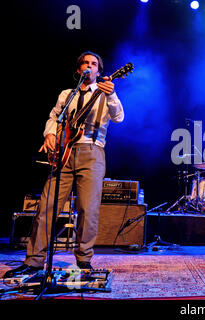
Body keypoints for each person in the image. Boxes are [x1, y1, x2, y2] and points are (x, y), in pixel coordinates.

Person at [4, 51, 124, 278]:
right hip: (64, 154)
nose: (89, 66)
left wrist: (112, 95)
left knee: (88, 210)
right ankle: (34, 261)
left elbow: (119, 117)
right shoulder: (66, 94)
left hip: (92, 151)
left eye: (94, 63)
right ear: (79, 70)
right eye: (85, 63)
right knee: (46, 207)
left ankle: (84, 260)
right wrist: (50, 134)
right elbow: (54, 117)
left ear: (99, 70)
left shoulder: (104, 93)